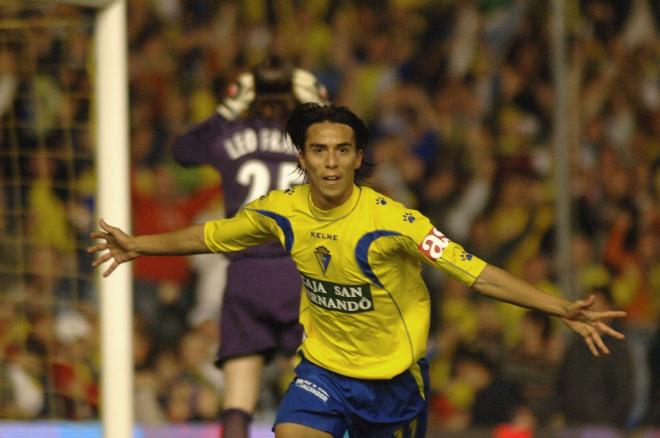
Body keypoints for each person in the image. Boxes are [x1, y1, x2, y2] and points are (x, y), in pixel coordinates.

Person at [89, 103, 627, 438]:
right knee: (291, 431)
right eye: (319, 150)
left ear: (357, 157)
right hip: (323, 372)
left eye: (342, 150)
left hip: (394, 383)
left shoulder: (396, 223)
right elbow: (210, 235)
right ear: (302, 156)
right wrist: (138, 244)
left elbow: (477, 272)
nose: (329, 162)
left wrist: (559, 307)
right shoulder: (282, 210)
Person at [170, 56, 328, 438]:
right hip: (298, 274)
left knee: (238, 398)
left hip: (244, 274)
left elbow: (182, 151)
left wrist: (228, 108)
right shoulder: (311, 139)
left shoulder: (229, 135)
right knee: (315, 386)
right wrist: (319, 106)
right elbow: (353, 149)